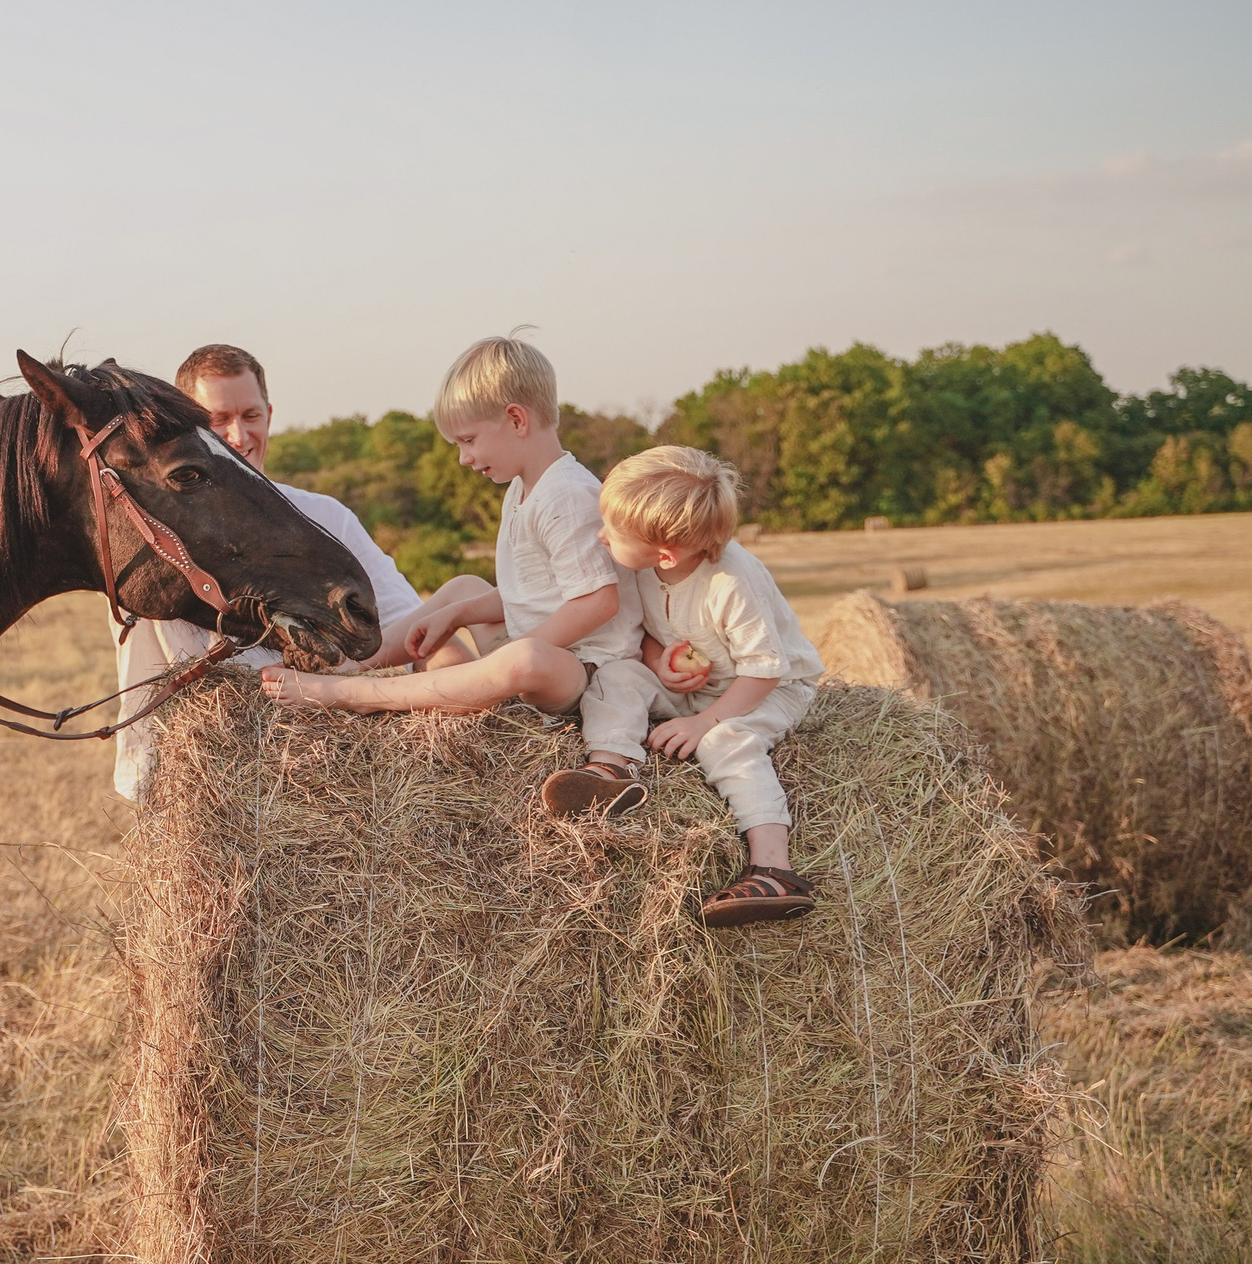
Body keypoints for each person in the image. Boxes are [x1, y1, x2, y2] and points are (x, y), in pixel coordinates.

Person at [261, 334, 638, 719]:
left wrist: (514, 649)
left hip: (585, 669)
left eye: (469, 440)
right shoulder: (525, 488)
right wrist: (456, 615)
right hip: (538, 646)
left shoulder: (567, 495)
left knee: (526, 658)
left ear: (515, 420)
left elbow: (598, 602)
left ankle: (359, 691)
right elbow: (530, 591)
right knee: (463, 588)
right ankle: (353, 664)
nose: (462, 458)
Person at [109, 345, 422, 799]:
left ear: (270, 414)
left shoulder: (327, 519)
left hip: (332, 771)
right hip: (204, 784)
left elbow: (412, 624)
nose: (238, 435)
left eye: (251, 415)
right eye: (218, 420)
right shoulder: (152, 540)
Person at [542, 446, 824, 925]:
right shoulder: (646, 568)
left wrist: (703, 722)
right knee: (619, 673)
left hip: (770, 689)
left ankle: (776, 868)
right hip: (698, 686)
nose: (600, 536)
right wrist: (660, 661)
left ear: (667, 551)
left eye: (612, 529)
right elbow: (651, 636)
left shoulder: (731, 581)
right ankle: (611, 769)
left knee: (725, 741)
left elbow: (765, 668)